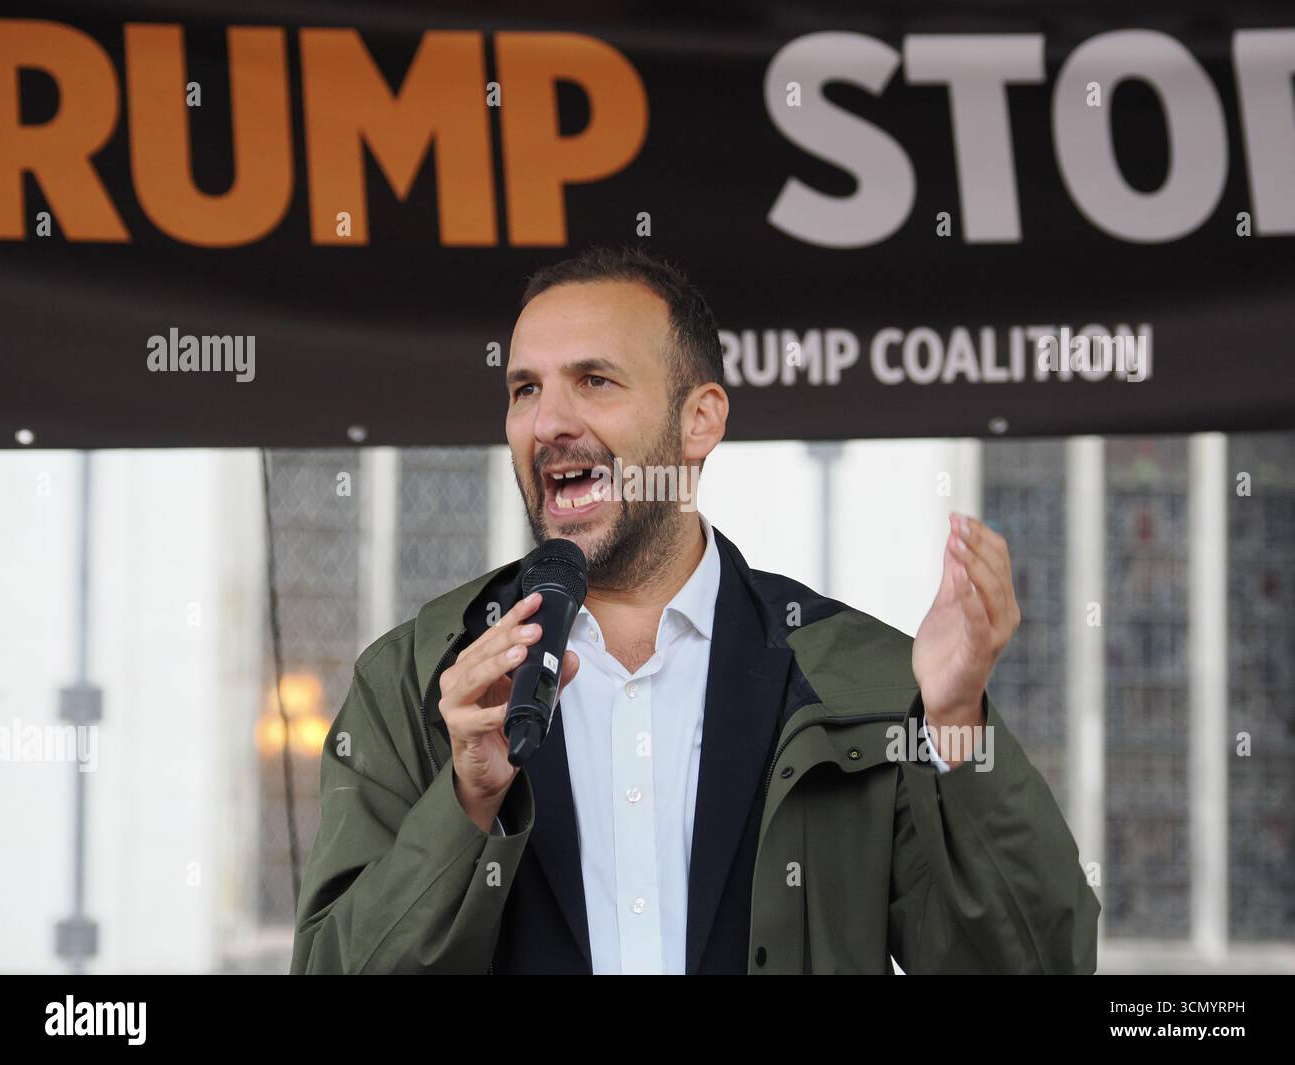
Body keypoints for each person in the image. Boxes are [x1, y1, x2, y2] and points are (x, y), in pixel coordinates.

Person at [289, 246, 1099, 974]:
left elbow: (1040, 965)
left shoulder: (859, 682)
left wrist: (956, 723)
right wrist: (465, 802)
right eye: (525, 388)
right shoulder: (417, 681)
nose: (549, 422)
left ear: (699, 419)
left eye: (594, 381)